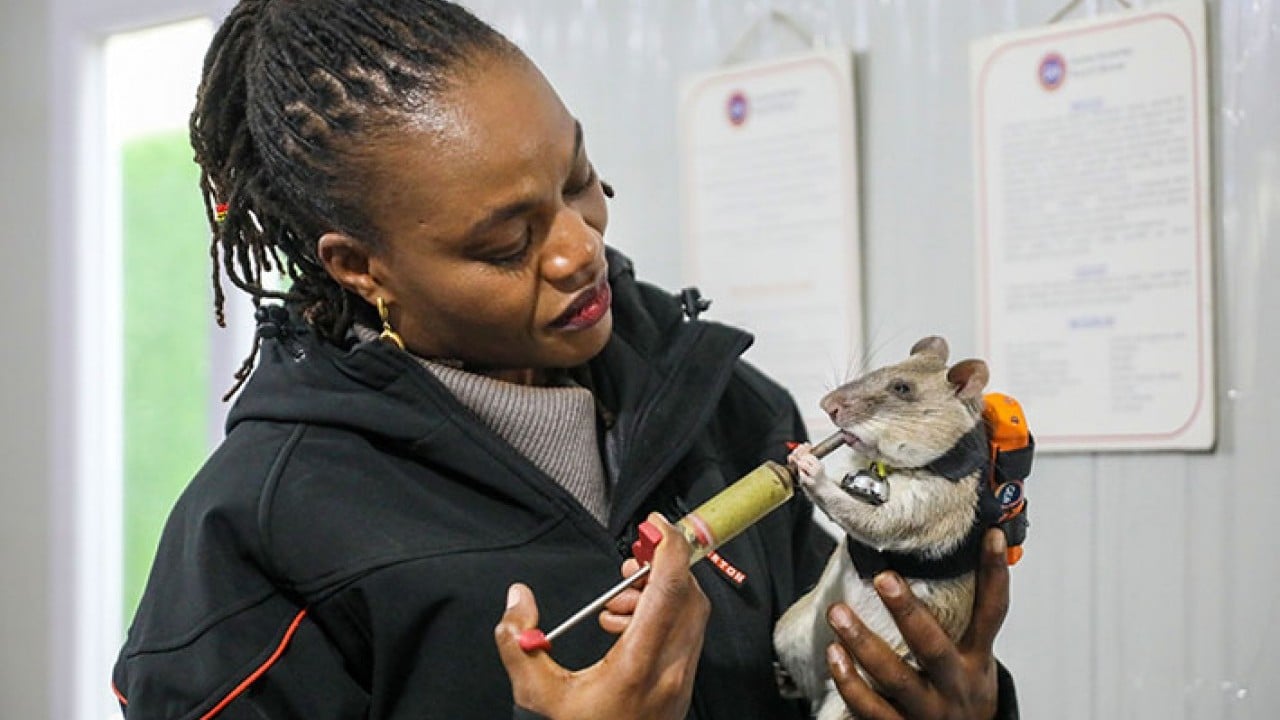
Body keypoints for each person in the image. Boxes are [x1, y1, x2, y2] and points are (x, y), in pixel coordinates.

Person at [111, 1, 1017, 718]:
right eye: (509, 240)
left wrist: (964, 707)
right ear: (361, 265)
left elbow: (826, 674)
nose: (579, 247)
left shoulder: (731, 411)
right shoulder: (257, 534)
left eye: (578, 178)